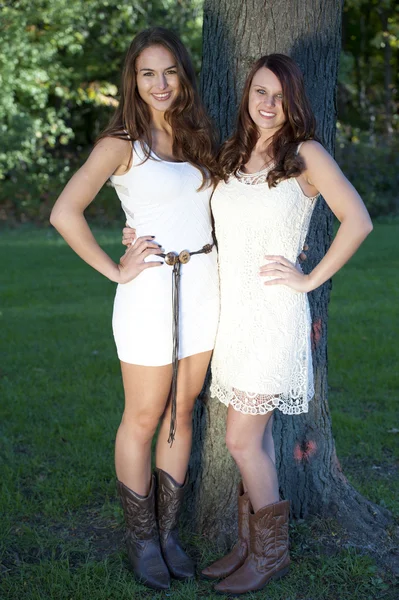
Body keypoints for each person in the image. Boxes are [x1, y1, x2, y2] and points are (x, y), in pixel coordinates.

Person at [50, 27, 221, 591]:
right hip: (149, 292)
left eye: (169, 71)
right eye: (147, 73)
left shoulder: (198, 137)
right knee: (144, 417)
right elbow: (65, 212)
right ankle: (141, 539)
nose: (160, 83)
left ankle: (169, 534)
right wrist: (116, 267)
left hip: (202, 285)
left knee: (182, 410)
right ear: (133, 79)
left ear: (183, 75)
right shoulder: (122, 142)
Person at [197, 54, 373, 596]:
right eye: (259, 92)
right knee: (262, 439)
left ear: (294, 101)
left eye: (278, 95)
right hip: (234, 317)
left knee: (241, 440)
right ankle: (251, 544)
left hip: (273, 315)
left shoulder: (306, 156)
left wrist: (307, 279)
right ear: (247, 97)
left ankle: (271, 553)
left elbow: (358, 220)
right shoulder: (232, 156)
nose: (267, 104)